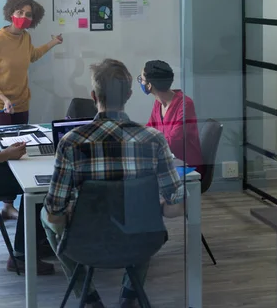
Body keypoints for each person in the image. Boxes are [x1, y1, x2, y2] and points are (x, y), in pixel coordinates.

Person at [41, 58, 185, 308]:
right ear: (129, 95)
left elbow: (55, 214)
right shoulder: (154, 141)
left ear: (93, 96)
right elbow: (176, 208)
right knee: (143, 215)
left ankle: (88, 297)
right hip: (139, 244)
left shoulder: (71, 142)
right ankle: (130, 295)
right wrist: (156, 203)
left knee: (45, 215)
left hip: (84, 243)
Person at [0, 0, 63, 220]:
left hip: (22, 104)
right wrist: (3, 98)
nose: (23, 18)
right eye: (19, 13)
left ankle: (8, 205)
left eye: (28, 15)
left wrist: (53, 42)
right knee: (2, 156)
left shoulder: (25, 37)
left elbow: (32, 56)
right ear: (10, 13)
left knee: (19, 155)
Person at [0, 54, 54, 275]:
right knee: (34, 183)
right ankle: (23, 255)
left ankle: (38, 242)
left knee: (32, 176)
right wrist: (5, 155)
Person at [140, 60, 203, 176]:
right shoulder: (158, 103)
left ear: (149, 85)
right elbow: (149, 130)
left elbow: (174, 141)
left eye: (142, 79)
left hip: (187, 166)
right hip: (166, 161)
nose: (141, 82)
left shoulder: (185, 104)